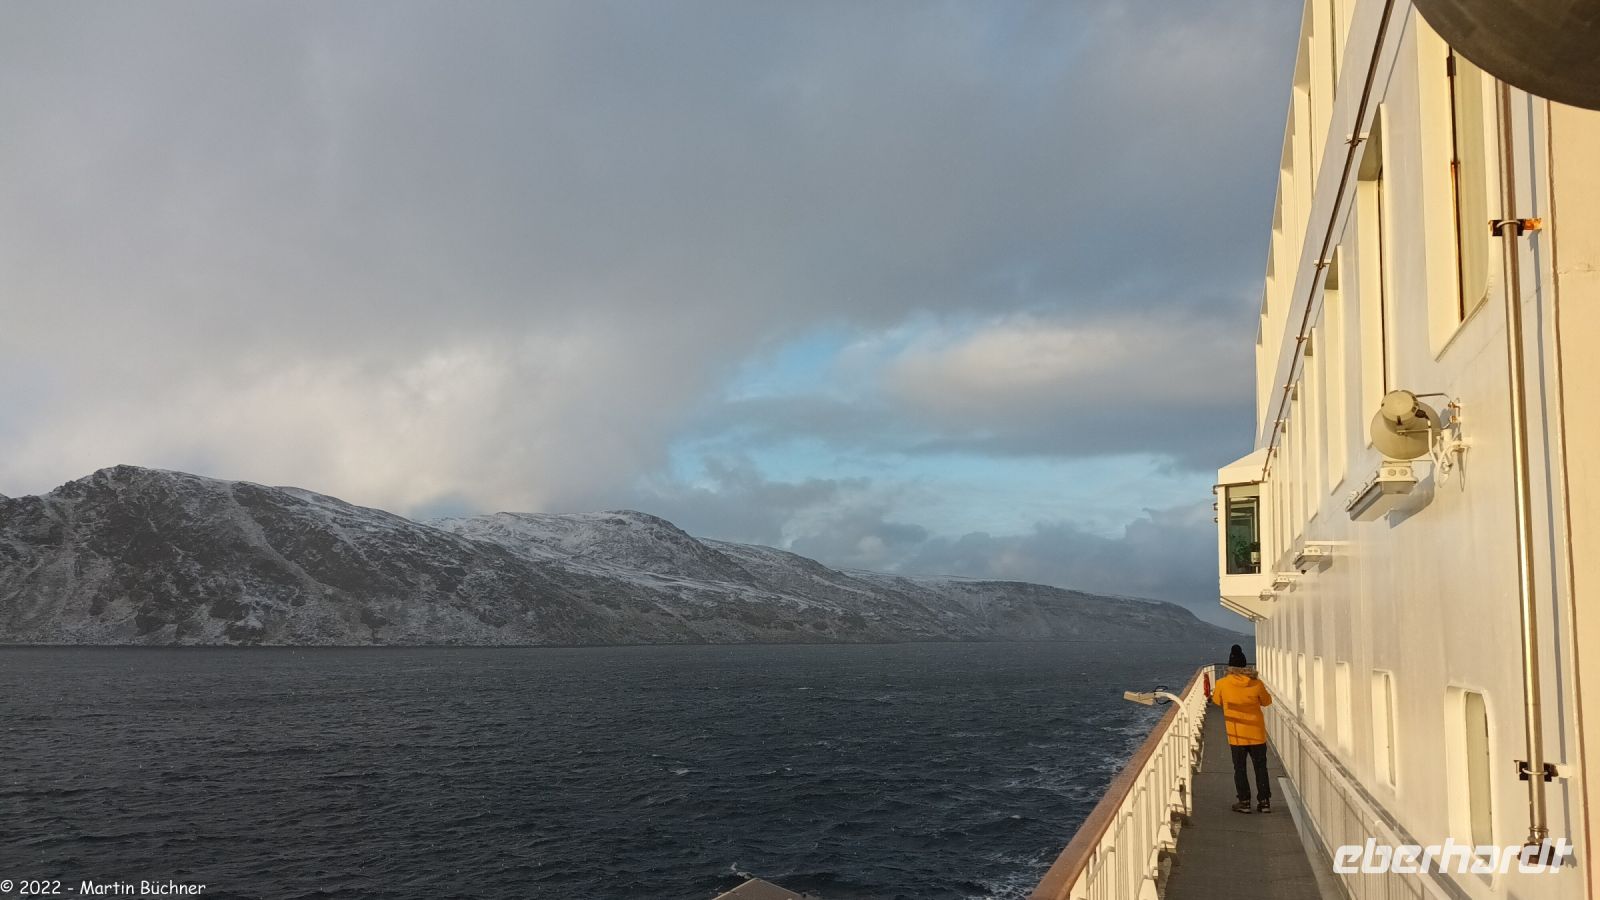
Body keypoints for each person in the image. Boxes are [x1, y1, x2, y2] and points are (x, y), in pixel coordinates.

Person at [1211, 644, 1274, 813]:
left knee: (1239, 768)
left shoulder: (1222, 683)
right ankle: (1264, 802)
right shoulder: (1256, 683)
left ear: (1230, 666)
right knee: (1260, 767)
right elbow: (1267, 702)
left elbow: (1217, 701)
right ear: (1245, 666)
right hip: (1256, 733)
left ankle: (1244, 802)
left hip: (1236, 734)